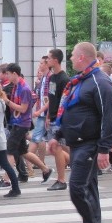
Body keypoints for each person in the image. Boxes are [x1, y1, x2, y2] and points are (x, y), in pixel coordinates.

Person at [47, 42, 112, 223]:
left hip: (89, 144)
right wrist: (58, 135)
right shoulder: (79, 81)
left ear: (81, 57)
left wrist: (105, 149)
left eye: (72, 55)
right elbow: (68, 109)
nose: (69, 59)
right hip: (76, 142)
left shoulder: (100, 82)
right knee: (89, 191)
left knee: (77, 188)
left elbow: (109, 117)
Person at [45, 48, 71, 191]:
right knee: (58, 149)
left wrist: (60, 119)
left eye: (49, 58)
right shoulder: (52, 77)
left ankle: (61, 179)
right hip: (53, 117)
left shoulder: (64, 79)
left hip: (60, 119)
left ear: (56, 60)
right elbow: (52, 98)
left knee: (57, 148)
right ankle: (75, 164)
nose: (47, 60)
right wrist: (48, 115)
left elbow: (64, 101)